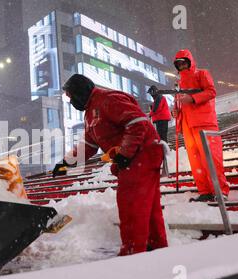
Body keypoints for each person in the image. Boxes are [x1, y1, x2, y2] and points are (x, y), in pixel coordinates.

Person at [53, 74, 168, 256]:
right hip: (136, 157)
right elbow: (89, 145)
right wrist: (66, 163)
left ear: (81, 92)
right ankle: (155, 245)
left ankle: (133, 251)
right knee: (147, 205)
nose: (71, 101)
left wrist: (125, 153)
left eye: (71, 96)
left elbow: (138, 123)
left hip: (142, 155)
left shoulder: (108, 99)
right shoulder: (90, 113)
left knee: (131, 204)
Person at [173, 49, 229, 202]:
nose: (182, 66)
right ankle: (204, 190)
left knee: (211, 157)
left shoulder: (202, 74)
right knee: (195, 159)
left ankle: (219, 190)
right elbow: (179, 103)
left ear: (190, 62)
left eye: (184, 62)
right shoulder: (179, 83)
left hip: (204, 122)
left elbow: (211, 91)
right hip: (187, 124)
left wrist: (192, 98)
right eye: (179, 64)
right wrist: (176, 112)